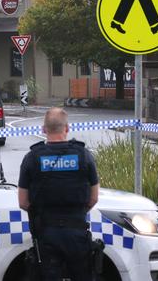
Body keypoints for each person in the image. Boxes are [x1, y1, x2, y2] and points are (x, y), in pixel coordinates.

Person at [18, 107, 100, 281]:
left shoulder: (32, 158)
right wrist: (76, 214)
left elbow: (23, 202)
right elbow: (94, 198)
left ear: (43, 129)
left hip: (46, 233)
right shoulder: (84, 155)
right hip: (77, 231)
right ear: (67, 128)